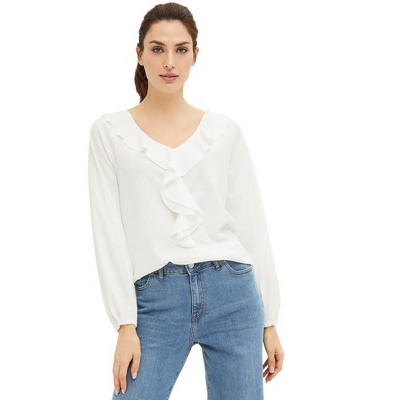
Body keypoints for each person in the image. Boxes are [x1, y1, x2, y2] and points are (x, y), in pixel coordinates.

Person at [88, 2, 284, 399]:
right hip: (155, 299)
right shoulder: (110, 132)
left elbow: (251, 223)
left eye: (181, 49)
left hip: (232, 293)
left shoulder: (223, 132)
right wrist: (124, 324)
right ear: (139, 54)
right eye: (157, 49)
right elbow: (108, 230)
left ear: (195, 55)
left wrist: (269, 320)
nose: (169, 62)